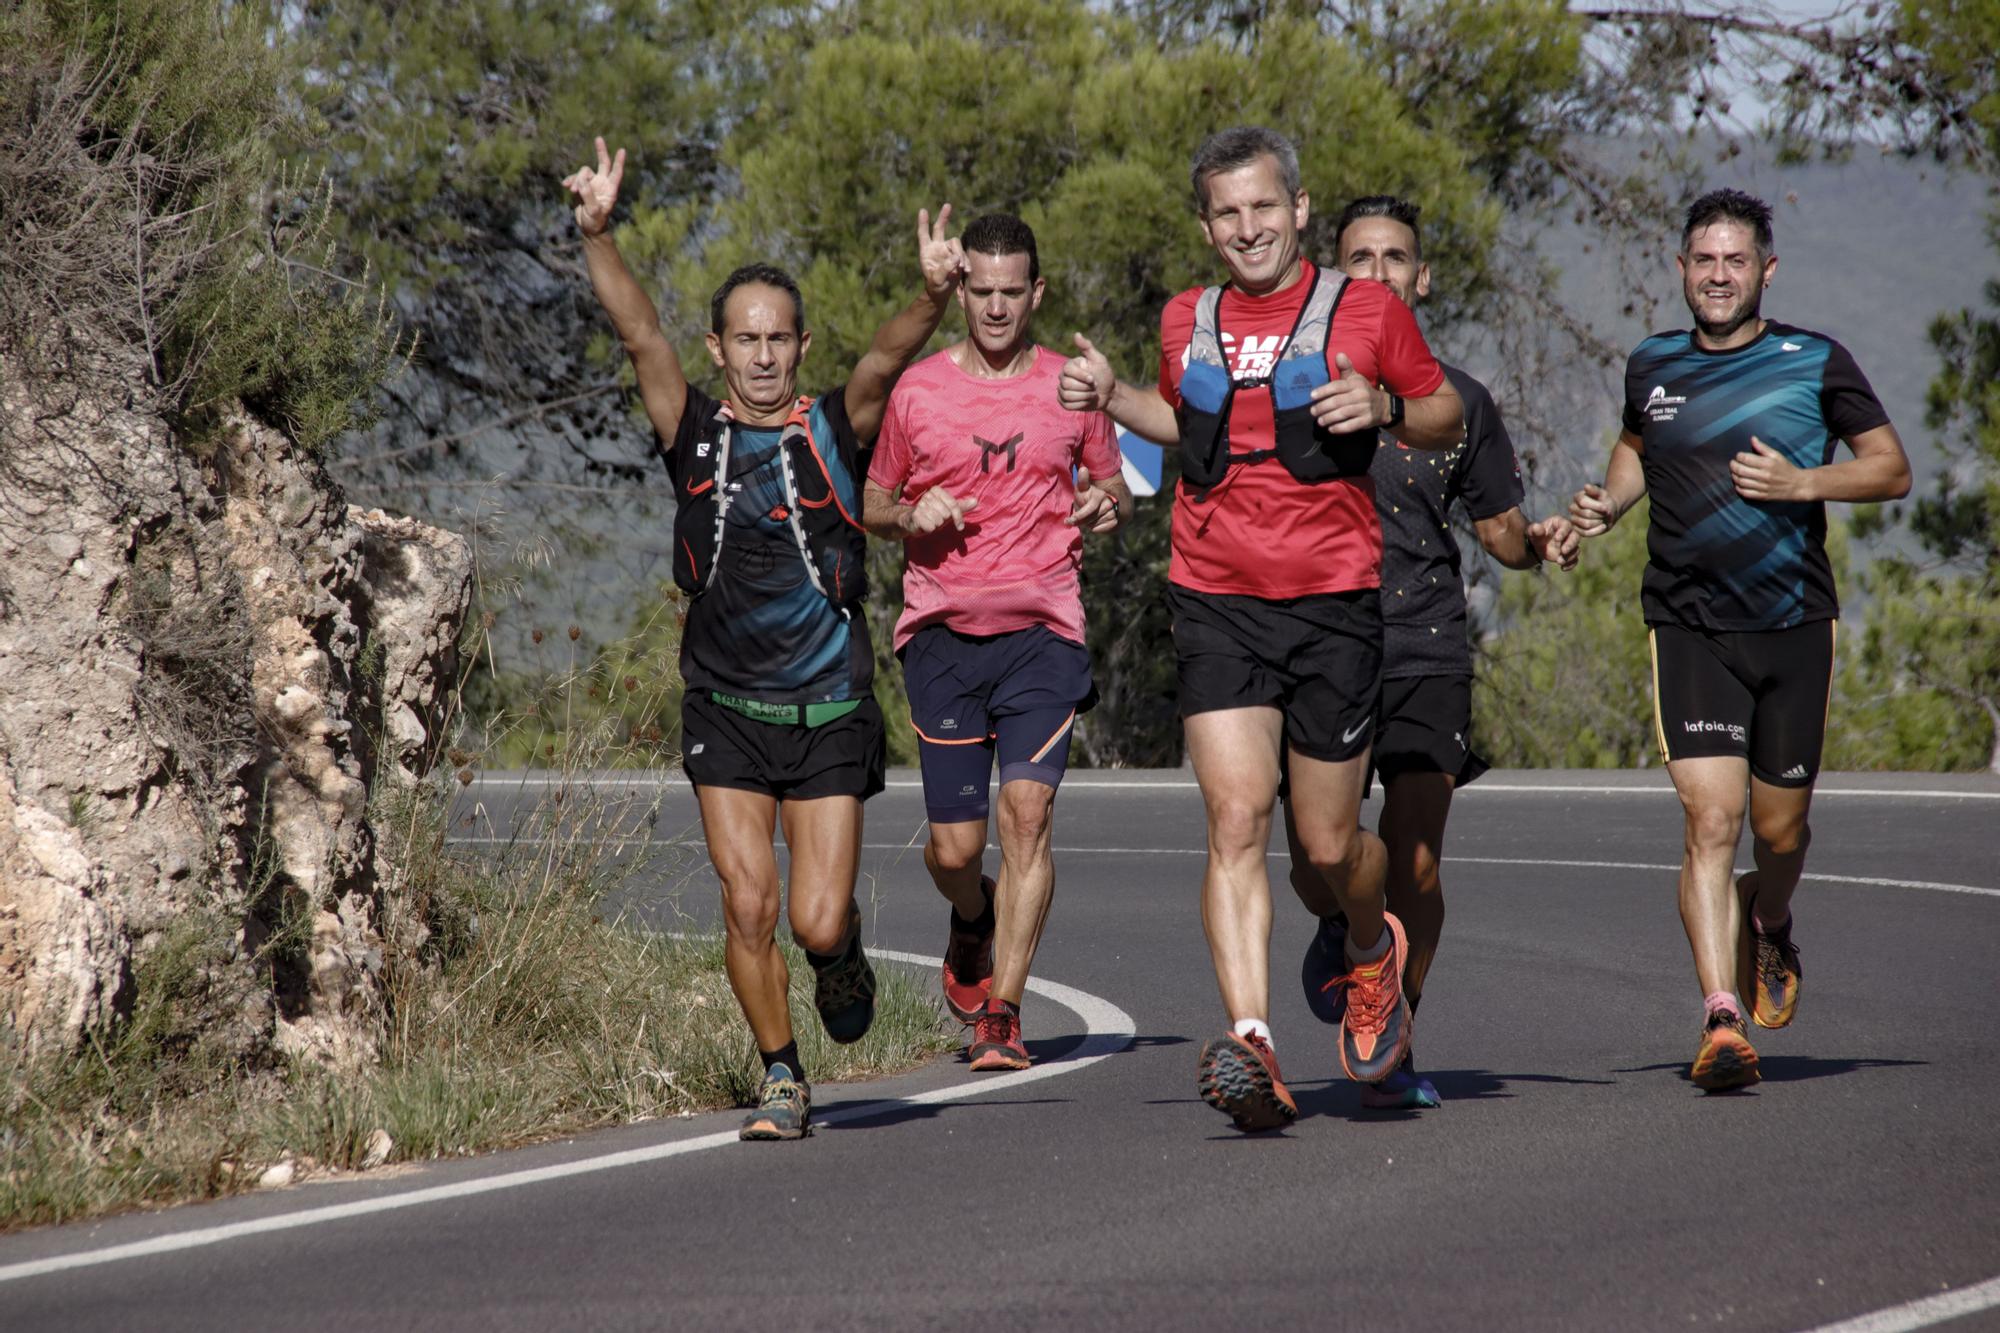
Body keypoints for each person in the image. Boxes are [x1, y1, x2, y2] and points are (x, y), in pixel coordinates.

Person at [1060, 126, 1466, 1132]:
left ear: (1295, 209)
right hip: (1213, 598)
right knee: (1234, 818)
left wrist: (1380, 402)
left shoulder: (1363, 308)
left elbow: (1443, 410)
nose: (1246, 228)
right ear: (1205, 225)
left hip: (1332, 605)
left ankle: (1370, 948)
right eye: (1224, 212)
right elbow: (1183, 421)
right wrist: (1113, 397)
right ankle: (1253, 1041)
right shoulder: (1183, 315)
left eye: (1261, 208)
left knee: (1329, 847)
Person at [563, 138, 965, 1139]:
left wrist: (928, 294)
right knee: (748, 905)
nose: (760, 354)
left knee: (813, 918)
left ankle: (839, 956)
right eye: (743, 338)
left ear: (799, 345)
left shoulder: (834, 424)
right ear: (718, 349)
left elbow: (885, 359)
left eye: (778, 338)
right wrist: (596, 233)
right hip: (725, 709)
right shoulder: (690, 427)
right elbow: (637, 332)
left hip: (827, 706)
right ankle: (781, 1074)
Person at [1569, 187, 1910, 1092]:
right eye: (1702, 260)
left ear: (1766, 269)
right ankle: (1721, 1016)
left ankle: (1769, 915)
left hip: (1794, 624)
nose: (1718, 276)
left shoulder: (1815, 360)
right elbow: (1639, 448)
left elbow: (1892, 469)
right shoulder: (1653, 363)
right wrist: (1610, 503)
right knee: (1709, 820)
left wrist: (1804, 485)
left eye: (1735, 260)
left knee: (1780, 828)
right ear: (1681, 269)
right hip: (1688, 626)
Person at [1285, 195, 1580, 1111]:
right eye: (1359, 257)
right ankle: (1352, 924)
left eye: (1395, 257)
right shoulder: (1292, 383)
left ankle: (1391, 1026)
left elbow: (1497, 532)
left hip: (1424, 645)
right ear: (1334, 274)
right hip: (1318, 641)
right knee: (1310, 857)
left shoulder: (1458, 402)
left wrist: (1541, 539)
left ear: (1422, 276)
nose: (1378, 272)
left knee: (1414, 860)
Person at [862, 214, 1128, 1072]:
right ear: (963, 289)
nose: (998, 308)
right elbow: (868, 502)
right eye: (982, 291)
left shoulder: (1071, 387)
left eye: (1014, 292)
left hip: (1043, 633)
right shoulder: (918, 391)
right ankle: (971, 915)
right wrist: (910, 513)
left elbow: (1113, 483)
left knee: (1028, 813)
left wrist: (1105, 504)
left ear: (1036, 292)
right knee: (955, 849)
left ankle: (1002, 1013)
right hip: (942, 635)